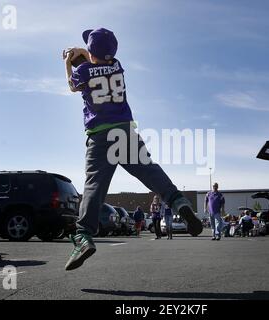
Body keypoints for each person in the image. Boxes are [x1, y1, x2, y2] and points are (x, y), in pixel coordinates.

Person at [63, 28, 203, 271]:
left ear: (90, 53)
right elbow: (99, 60)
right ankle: (179, 202)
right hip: (125, 132)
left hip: (100, 136)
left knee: (94, 186)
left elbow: (73, 85)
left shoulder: (82, 71)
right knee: (149, 171)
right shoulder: (117, 66)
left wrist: (68, 62)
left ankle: (84, 236)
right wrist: (87, 52)